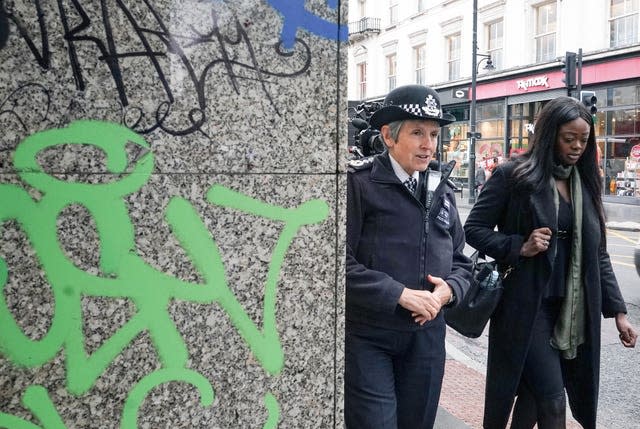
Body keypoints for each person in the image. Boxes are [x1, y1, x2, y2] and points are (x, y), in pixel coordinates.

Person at [464, 96, 637, 429]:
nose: (576, 147)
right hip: (527, 307)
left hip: (571, 310)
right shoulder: (513, 175)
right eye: (568, 138)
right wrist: (519, 246)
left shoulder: (584, 183)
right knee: (553, 399)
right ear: (549, 135)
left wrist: (618, 312)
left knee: (532, 396)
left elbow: (597, 252)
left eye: (583, 140)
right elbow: (473, 230)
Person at [345, 84, 472, 429]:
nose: (428, 144)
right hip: (370, 338)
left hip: (427, 339)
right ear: (388, 135)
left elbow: (461, 261)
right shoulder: (359, 185)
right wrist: (398, 294)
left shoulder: (440, 188)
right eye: (417, 132)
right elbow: (338, 264)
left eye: (433, 134)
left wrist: (449, 291)